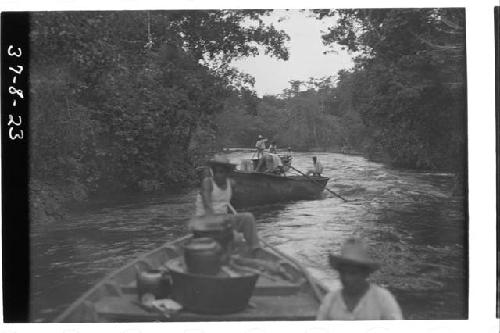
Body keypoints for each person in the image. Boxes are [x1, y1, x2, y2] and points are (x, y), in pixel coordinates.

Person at [316, 238, 403, 320]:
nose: (347, 278)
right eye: (343, 272)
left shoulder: (383, 299)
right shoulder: (330, 300)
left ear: (365, 273)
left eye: (353, 273)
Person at [192, 154, 261, 254]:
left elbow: (225, 204)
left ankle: (256, 249)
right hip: (205, 222)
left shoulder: (231, 184)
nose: (217, 175)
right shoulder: (207, 182)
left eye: (221, 172)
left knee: (248, 217)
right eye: (215, 172)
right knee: (236, 238)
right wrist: (229, 229)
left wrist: (230, 222)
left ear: (227, 173)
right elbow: (208, 207)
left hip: (223, 220)